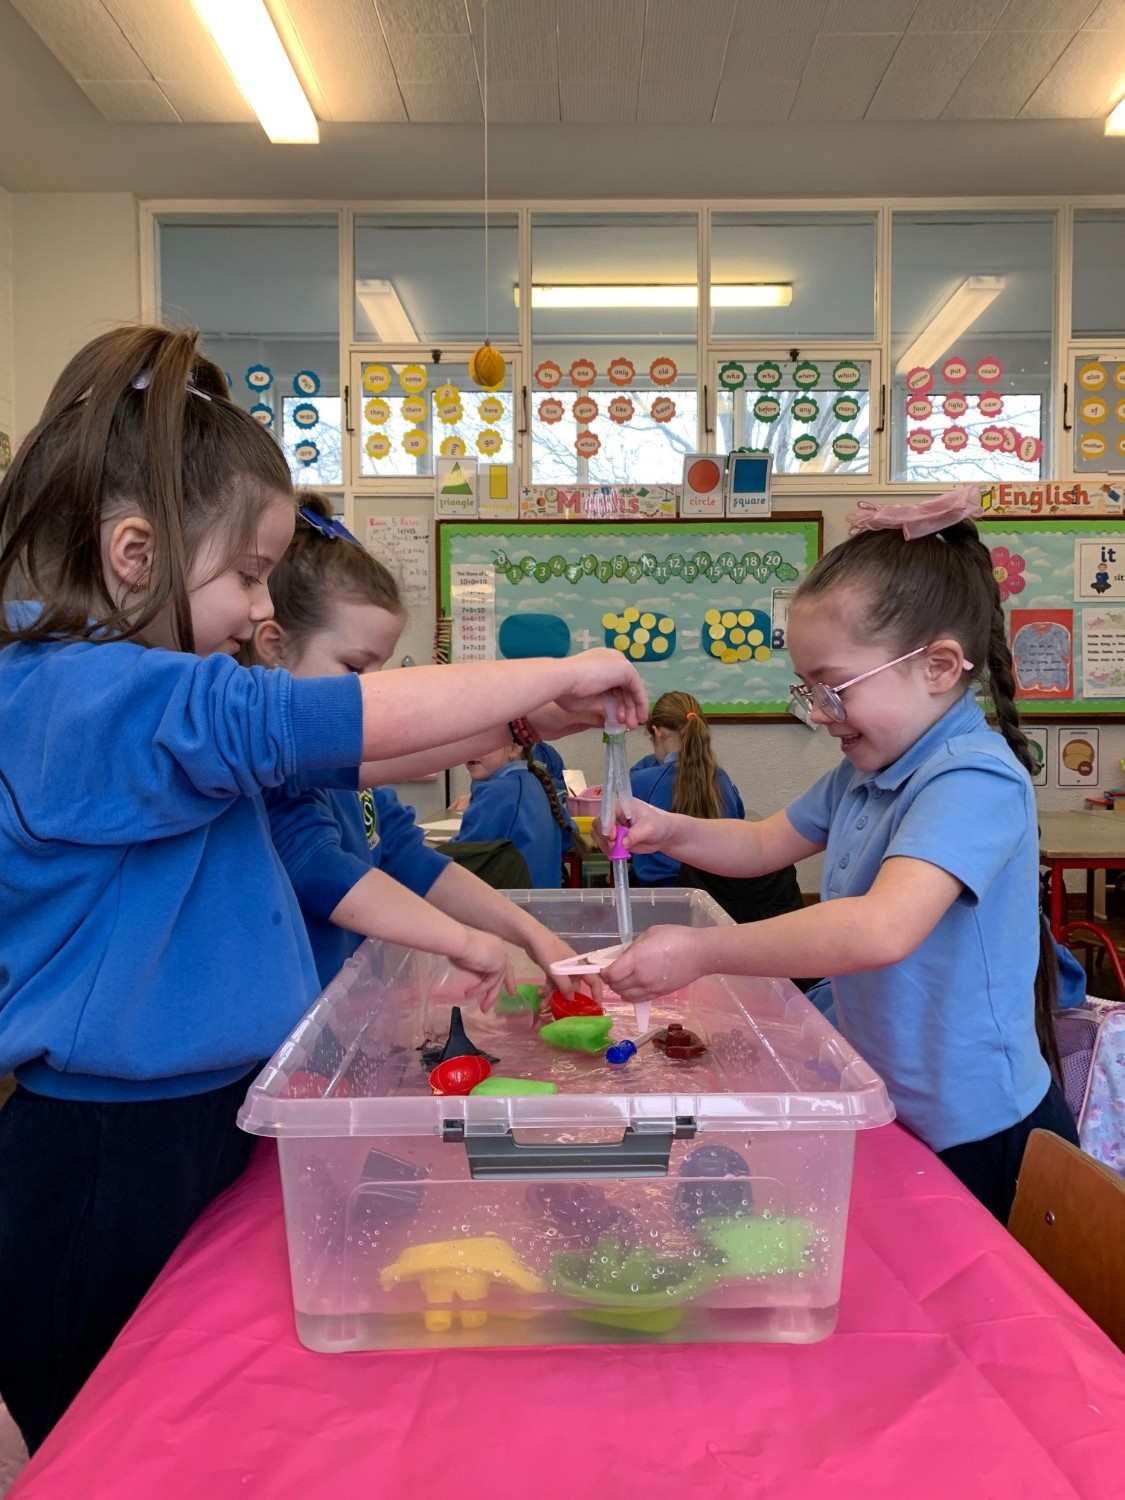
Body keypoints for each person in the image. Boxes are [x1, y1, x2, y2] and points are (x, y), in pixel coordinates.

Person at [0, 323, 647, 1452]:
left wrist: (524, 722)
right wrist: (549, 672)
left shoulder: (143, 693)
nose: (261, 611)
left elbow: (345, 764)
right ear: (135, 553)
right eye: (248, 575)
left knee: (194, 1408)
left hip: (194, 1117)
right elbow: (314, 727)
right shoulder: (78, 694)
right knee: (109, 1434)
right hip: (107, 1149)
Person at [604, 487, 1077, 1224]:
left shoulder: (973, 778)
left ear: (938, 666)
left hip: (978, 1130)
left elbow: (879, 929)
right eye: (809, 692)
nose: (822, 715)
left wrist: (701, 951)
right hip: (893, 1103)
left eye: (834, 689)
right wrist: (666, 828)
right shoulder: (865, 773)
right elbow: (763, 843)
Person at [249, 493, 582, 990]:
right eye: (355, 667)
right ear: (274, 647)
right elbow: (322, 873)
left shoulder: (354, 774)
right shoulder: (270, 773)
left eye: (379, 670)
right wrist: (460, 941)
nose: (373, 690)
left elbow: (408, 857)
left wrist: (532, 934)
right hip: (303, 1016)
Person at [628, 690, 745, 886]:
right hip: (719, 896)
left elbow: (624, 842)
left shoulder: (640, 782)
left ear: (658, 733)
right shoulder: (724, 781)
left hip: (659, 895)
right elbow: (737, 829)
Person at [458, 740, 580, 888]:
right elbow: (568, 837)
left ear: (515, 748)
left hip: (510, 899)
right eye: (467, 739)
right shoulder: (538, 783)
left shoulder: (497, 792)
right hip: (542, 899)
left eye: (484, 740)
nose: (471, 750)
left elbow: (463, 860)